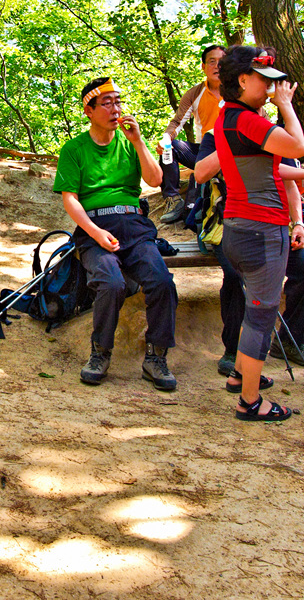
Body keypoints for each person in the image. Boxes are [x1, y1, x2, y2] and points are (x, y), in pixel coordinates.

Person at [53, 78, 179, 391]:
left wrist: (138, 142)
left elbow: (155, 179)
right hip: (94, 228)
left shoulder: (129, 142)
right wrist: (96, 233)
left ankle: (156, 357)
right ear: (89, 111)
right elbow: (70, 199)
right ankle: (100, 352)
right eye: (107, 103)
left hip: (134, 225)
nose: (116, 109)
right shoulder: (74, 149)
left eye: (118, 102)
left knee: (162, 282)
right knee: (111, 283)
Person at [202, 45, 304, 421]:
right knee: (262, 316)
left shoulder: (226, 116)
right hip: (263, 230)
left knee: (254, 310)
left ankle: (240, 374)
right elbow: (298, 146)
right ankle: (250, 401)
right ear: (243, 80)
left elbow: (268, 168)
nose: (272, 88)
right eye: (265, 80)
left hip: (237, 228)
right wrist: (287, 107)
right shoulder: (248, 121)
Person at [193, 146, 304, 378]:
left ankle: (290, 342)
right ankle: (233, 350)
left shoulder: (275, 139)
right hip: (228, 226)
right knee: (235, 275)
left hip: (271, 226)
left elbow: (289, 184)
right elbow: (200, 174)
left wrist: (298, 224)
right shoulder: (216, 137)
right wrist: (229, 140)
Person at [156, 44, 225, 224]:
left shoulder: (240, 91)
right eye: (212, 61)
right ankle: (173, 199)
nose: (217, 66)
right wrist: (165, 139)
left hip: (233, 153)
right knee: (170, 146)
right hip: (205, 152)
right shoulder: (195, 93)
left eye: (222, 61)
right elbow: (177, 122)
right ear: (203, 66)